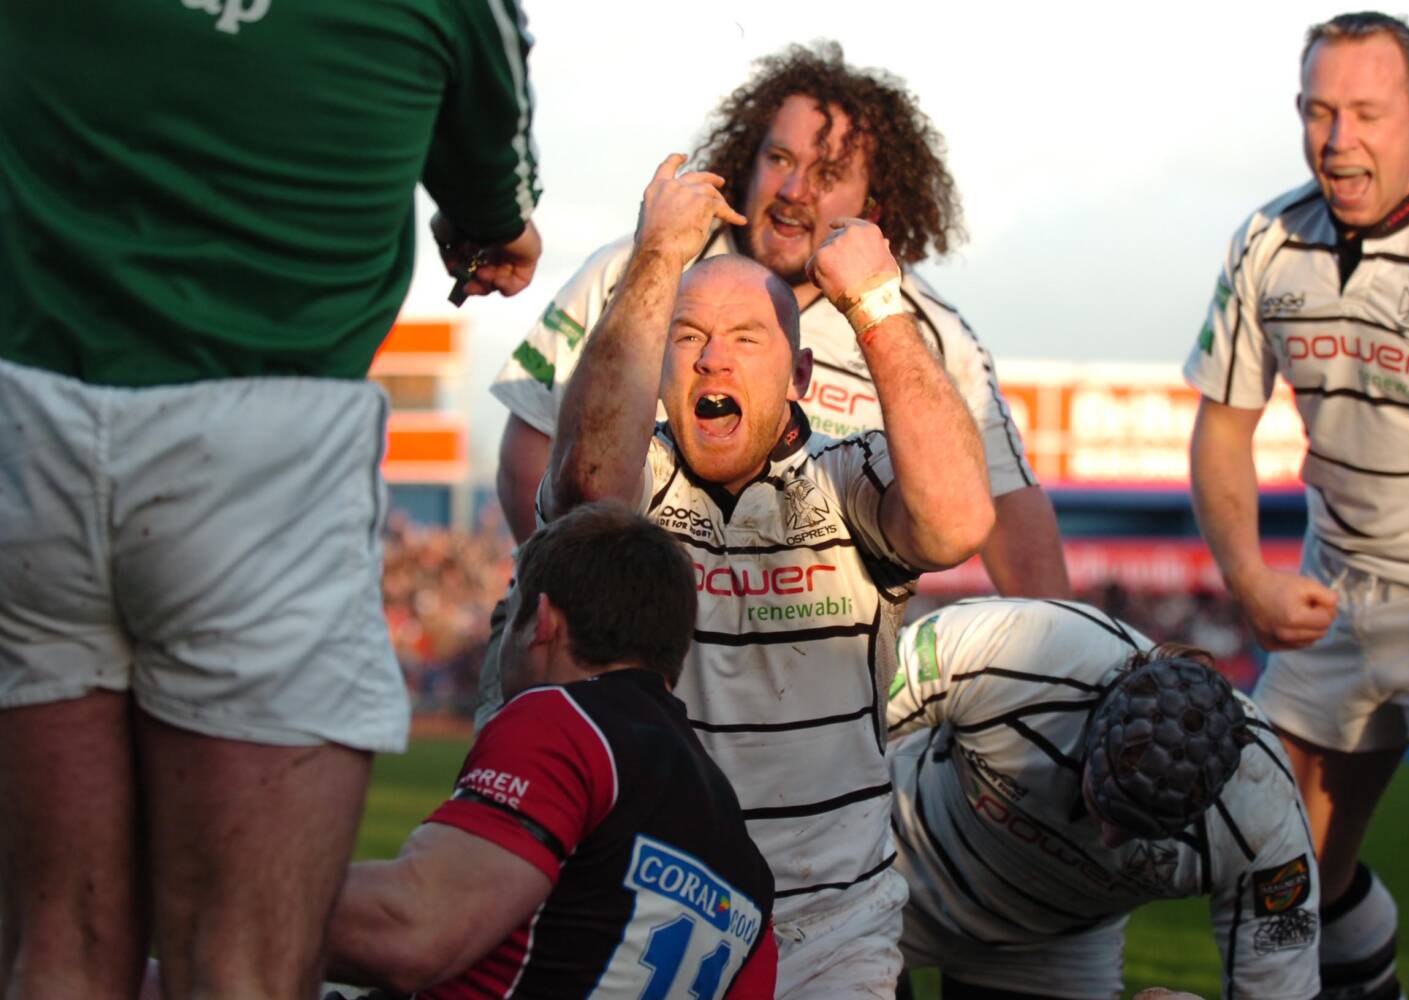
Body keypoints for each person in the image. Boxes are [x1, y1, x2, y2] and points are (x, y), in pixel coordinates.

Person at [0, 2, 542, 996]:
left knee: (59, 944)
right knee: (241, 962)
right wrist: (493, 232)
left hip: (27, 422)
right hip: (263, 446)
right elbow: (495, 200)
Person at [536, 153, 995, 998]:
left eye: (747, 340)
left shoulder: (849, 479)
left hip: (831, 928)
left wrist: (878, 306)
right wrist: (655, 260)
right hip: (654, 911)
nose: (713, 361)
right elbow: (587, 490)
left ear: (799, 378)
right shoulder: (639, 483)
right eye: (688, 339)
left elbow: (961, 520)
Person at [489, 41, 1069, 600]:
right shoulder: (639, 266)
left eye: (827, 175)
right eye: (780, 159)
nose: (794, 191)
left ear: (873, 207)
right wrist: (580, 611)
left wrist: (1077, 663)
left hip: (817, 662)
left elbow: (1006, 507)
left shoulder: (923, 329)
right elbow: (533, 451)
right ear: (747, 161)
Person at [1184, 12, 1409, 999]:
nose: (1338, 140)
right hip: (1334, 589)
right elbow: (1223, 427)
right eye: (1318, 112)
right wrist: (1248, 578)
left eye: (1366, 113)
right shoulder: (1269, 242)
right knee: (1276, 884)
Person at [323, 502, 777, 999]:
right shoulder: (748, 865)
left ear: (542, 620)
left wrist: (233, 884)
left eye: (511, 614)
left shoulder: (567, 721)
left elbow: (410, 930)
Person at [887, 598, 1319, 1000]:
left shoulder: (1262, 816)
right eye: (1106, 800)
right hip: (889, 874)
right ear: (1095, 726)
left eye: (1142, 828)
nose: (1111, 837)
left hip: (1053, 948)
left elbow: (1279, 985)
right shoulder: (1017, 650)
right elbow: (836, 719)